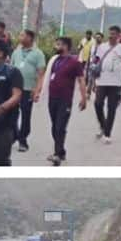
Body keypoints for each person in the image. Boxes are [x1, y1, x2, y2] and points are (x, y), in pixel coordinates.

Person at [37, 36, 87, 166]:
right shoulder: (55, 60)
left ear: (65, 46)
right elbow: (48, 76)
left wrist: (84, 97)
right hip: (52, 97)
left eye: (58, 44)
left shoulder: (74, 62)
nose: (55, 47)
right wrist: (39, 91)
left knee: (60, 127)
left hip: (65, 99)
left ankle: (57, 155)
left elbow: (81, 80)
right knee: (55, 127)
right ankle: (61, 151)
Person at [92, 25, 121, 144]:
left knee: (111, 108)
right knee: (97, 104)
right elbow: (95, 64)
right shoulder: (101, 47)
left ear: (119, 35)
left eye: (114, 34)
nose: (111, 36)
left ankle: (107, 134)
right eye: (110, 33)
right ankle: (103, 125)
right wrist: (93, 81)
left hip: (116, 83)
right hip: (102, 81)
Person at [10, 30, 46, 152]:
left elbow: (41, 74)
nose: (20, 37)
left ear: (30, 38)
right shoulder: (16, 51)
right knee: (11, 114)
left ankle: (23, 140)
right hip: (14, 89)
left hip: (28, 89)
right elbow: (11, 68)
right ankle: (15, 135)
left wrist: (37, 90)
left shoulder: (38, 53)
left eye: (22, 35)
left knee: (26, 116)